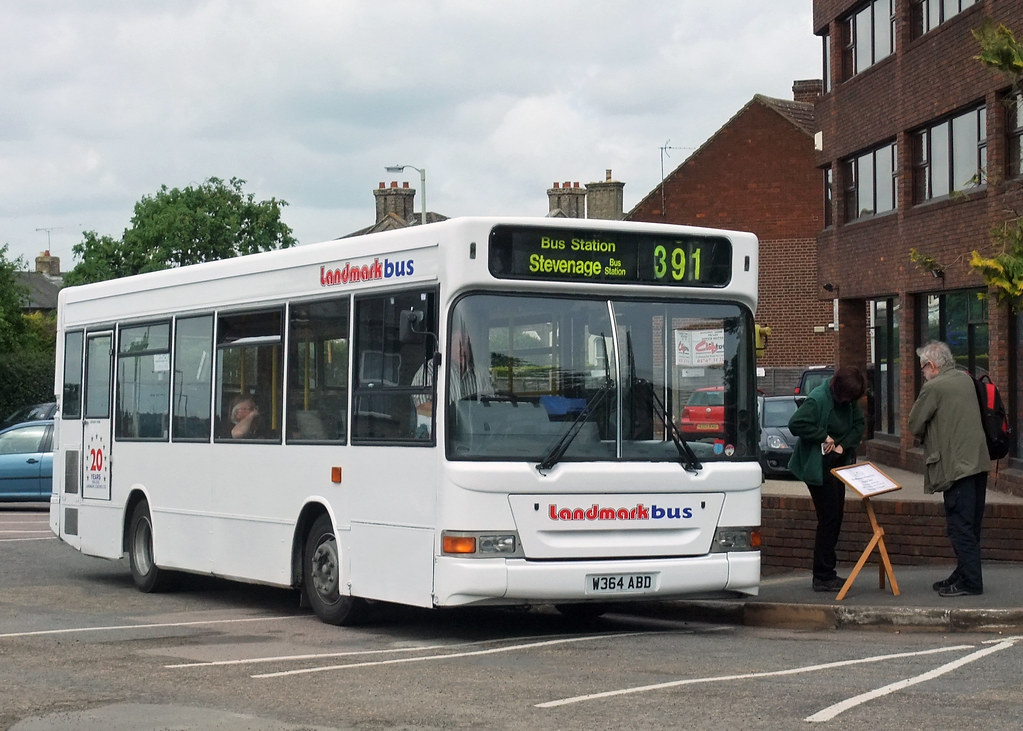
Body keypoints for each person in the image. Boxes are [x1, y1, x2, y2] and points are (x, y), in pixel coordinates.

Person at [908, 341, 991, 597]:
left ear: (931, 366)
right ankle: (964, 573)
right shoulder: (965, 379)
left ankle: (971, 583)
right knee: (971, 525)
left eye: (923, 368)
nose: (922, 373)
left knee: (959, 526)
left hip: (956, 467)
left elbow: (914, 423)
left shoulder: (934, 387)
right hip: (978, 463)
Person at [788, 365, 867, 592]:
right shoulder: (817, 399)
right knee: (829, 519)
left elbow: (859, 425)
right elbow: (796, 424)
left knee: (835, 518)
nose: (848, 403)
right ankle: (822, 576)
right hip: (818, 466)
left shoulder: (849, 400)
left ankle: (826, 573)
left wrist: (842, 446)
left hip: (837, 464)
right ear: (838, 388)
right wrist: (823, 435)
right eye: (846, 398)